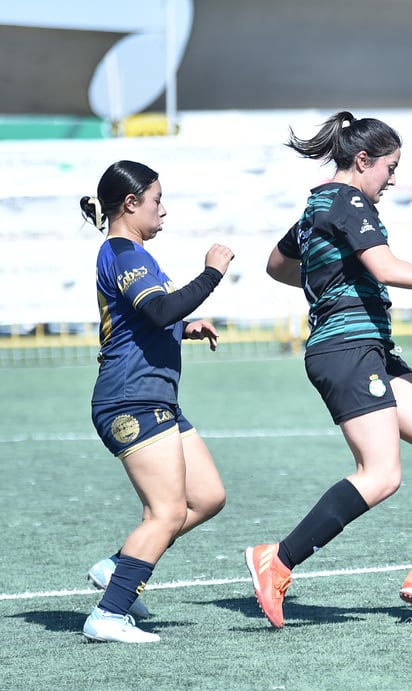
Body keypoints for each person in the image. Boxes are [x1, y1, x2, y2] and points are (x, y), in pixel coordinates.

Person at [245, 111, 412, 629]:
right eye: (390, 167)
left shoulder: (317, 205)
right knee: (381, 474)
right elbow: (385, 267)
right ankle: (276, 560)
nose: (393, 178)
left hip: (370, 348)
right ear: (362, 161)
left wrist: (327, 274)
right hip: (346, 349)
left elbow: (277, 266)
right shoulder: (347, 201)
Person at [80, 160, 235, 643]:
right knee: (165, 512)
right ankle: (108, 615)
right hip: (130, 399)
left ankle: (118, 567)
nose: (163, 211)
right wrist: (211, 274)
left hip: (153, 397)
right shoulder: (125, 253)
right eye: (157, 200)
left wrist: (184, 329)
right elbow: (161, 306)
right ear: (131, 204)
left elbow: (151, 319)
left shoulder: (135, 254)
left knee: (208, 496)